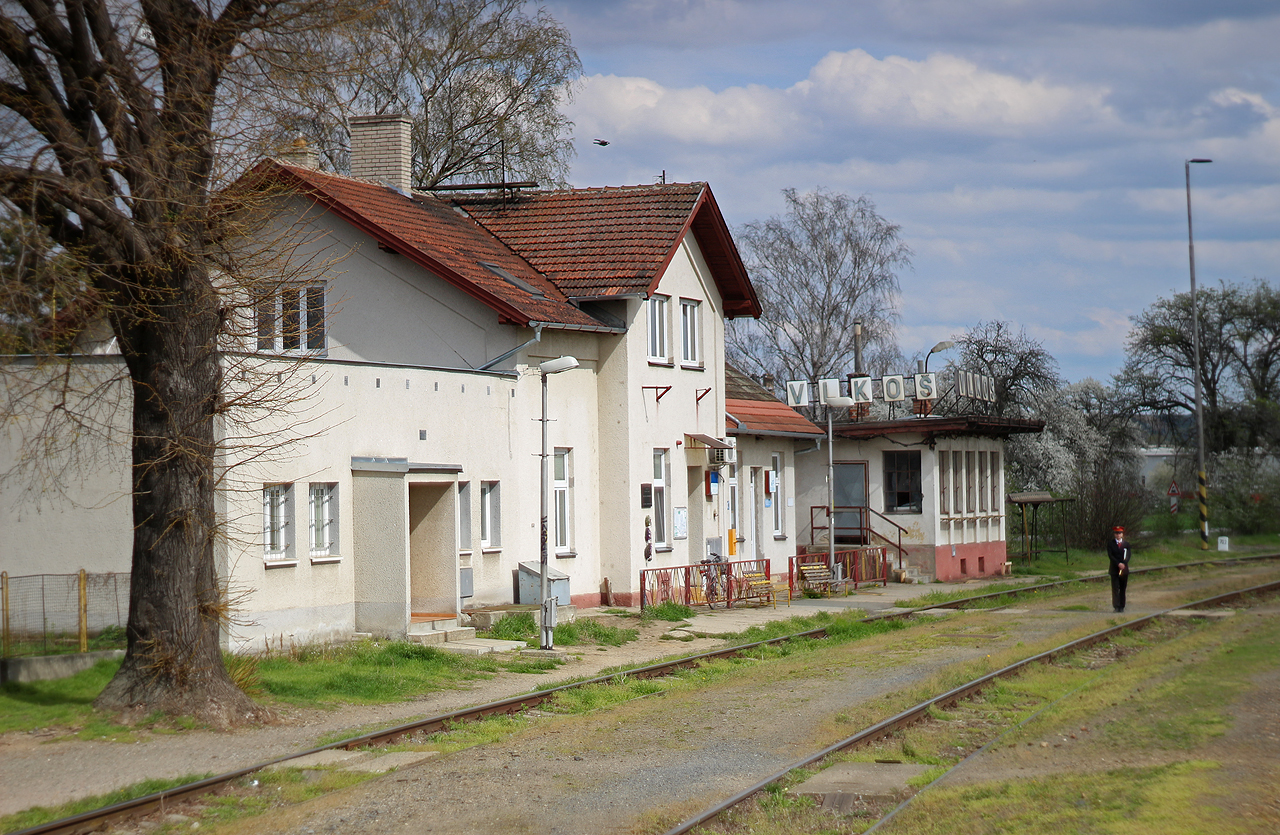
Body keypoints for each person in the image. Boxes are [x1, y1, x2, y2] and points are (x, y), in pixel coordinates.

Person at [1106, 526, 1131, 613]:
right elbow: (1110, 555)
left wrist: (1124, 563)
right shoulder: (1111, 544)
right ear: (1114, 534)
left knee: (1123, 588)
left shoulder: (1126, 544)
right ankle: (1116, 606)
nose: (1118, 535)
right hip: (1114, 569)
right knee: (1115, 588)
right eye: (1116, 533)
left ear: (1122, 534)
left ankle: (1122, 606)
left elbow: (1128, 555)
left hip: (1124, 569)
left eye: (1120, 533)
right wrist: (1118, 563)